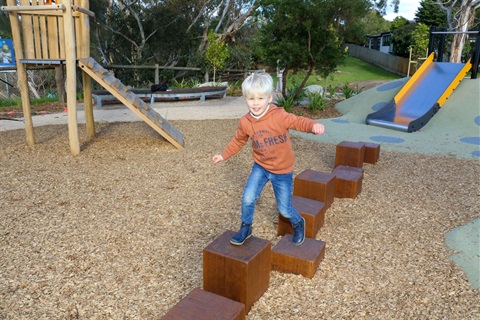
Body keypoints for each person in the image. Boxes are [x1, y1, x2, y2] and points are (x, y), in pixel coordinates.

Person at [212, 72, 325, 246]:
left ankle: (298, 222)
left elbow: (298, 121)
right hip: (261, 167)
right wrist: (223, 155)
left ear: (269, 98)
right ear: (245, 100)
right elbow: (238, 140)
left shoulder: (279, 116)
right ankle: (246, 227)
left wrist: (312, 126)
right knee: (248, 197)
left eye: (260, 98)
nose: (256, 103)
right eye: (251, 98)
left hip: (282, 171)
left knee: (284, 209)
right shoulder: (245, 122)